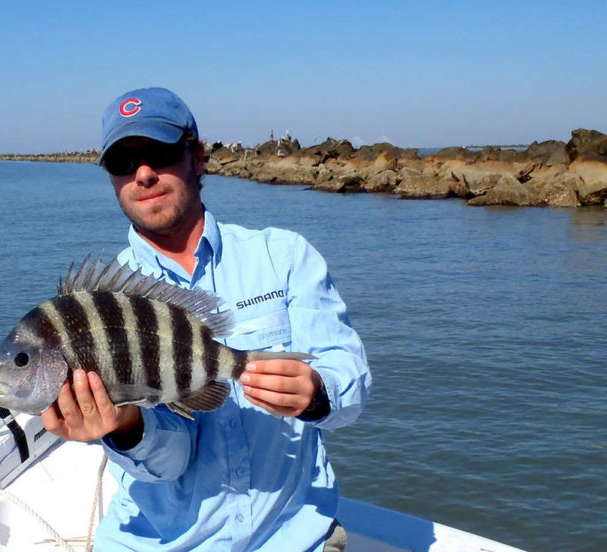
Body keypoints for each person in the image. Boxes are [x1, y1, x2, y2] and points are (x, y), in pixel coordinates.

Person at [41, 87, 371, 551]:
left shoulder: (285, 256)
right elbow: (172, 461)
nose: (143, 173)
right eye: (122, 162)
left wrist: (317, 393)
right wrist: (125, 425)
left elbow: (350, 385)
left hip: (289, 539)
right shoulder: (104, 300)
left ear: (197, 156)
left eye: (159, 152)